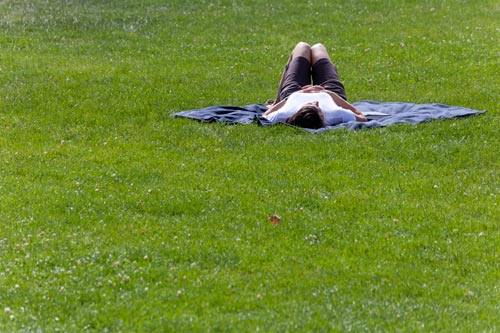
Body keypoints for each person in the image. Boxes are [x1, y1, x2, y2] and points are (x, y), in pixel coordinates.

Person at [263, 42, 367, 129]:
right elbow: (362, 117)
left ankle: (276, 99)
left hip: (293, 92)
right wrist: (328, 93)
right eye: (318, 107)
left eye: (310, 105)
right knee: (318, 48)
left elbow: (265, 116)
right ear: (323, 117)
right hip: (330, 93)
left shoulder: (284, 114)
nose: (315, 102)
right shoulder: (336, 114)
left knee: (302, 46)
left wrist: (291, 97)